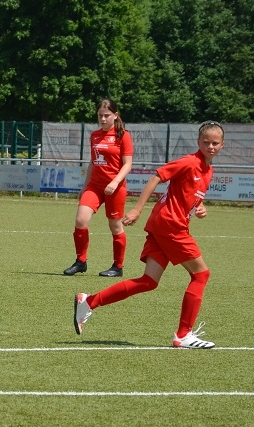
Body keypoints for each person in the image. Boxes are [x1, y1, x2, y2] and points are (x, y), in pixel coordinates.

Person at [74, 121, 224, 349]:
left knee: (148, 281)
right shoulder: (189, 162)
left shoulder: (208, 170)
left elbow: (190, 198)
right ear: (198, 142)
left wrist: (200, 209)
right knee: (201, 275)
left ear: (222, 145)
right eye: (206, 142)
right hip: (170, 225)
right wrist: (137, 209)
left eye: (215, 143)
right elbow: (157, 177)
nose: (210, 146)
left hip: (163, 225)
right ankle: (184, 334)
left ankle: (89, 301)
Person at [64, 99, 134, 277]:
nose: (103, 119)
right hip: (94, 186)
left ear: (115, 115)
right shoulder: (94, 135)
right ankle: (81, 261)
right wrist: (85, 186)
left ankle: (117, 267)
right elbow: (93, 162)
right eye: (100, 115)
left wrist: (115, 182)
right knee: (81, 220)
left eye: (107, 115)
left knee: (115, 226)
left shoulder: (123, 135)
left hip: (115, 187)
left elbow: (127, 164)